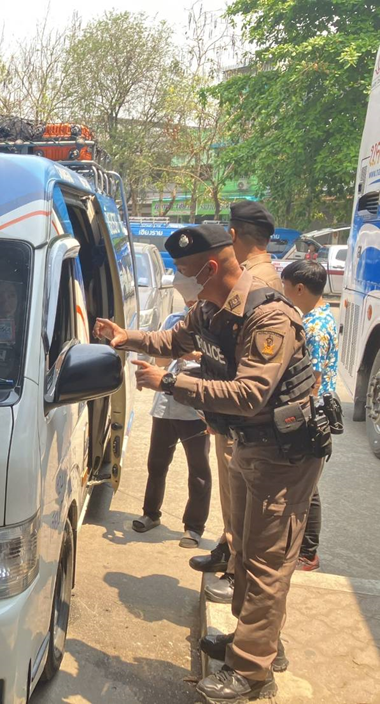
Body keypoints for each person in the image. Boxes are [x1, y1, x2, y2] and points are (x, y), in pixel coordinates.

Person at [94, 223, 327, 702]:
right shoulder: (209, 309)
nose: (179, 279)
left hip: (284, 454)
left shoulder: (268, 316)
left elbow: (249, 394)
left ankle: (251, 673)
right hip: (248, 444)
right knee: (243, 550)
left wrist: (170, 383)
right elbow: (172, 341)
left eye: (184, 270)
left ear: (212, 268)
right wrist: (126, 337)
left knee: (266, 562)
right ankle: (253, 642)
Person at [189, 200, 283, 605]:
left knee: (240, 501)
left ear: (231, 235)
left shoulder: (252, 281)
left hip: (245, 415)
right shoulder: (264, 275)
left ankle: (234, 567)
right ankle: (230, 551)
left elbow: (240, 363)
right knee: (235, 497)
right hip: (236, 410)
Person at [133, 302, 212, 548]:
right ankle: (150, 513)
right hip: (165, 405)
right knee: (156, 463)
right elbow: (160, 360)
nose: (191, 303)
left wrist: (195, 355)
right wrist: (178, 352)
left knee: (198, 470)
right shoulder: (174, 320)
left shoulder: (215, 324)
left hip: (196, 409)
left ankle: (194, 527)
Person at [282, 260, 339, 572]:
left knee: (308, 487)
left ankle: (308, 553)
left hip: (313, 413)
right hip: (318, 410)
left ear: (300, 288)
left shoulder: (314, 328)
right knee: (307, 484)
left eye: (286, 286)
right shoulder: (321, 315)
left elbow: (312, 379)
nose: (284, 291)